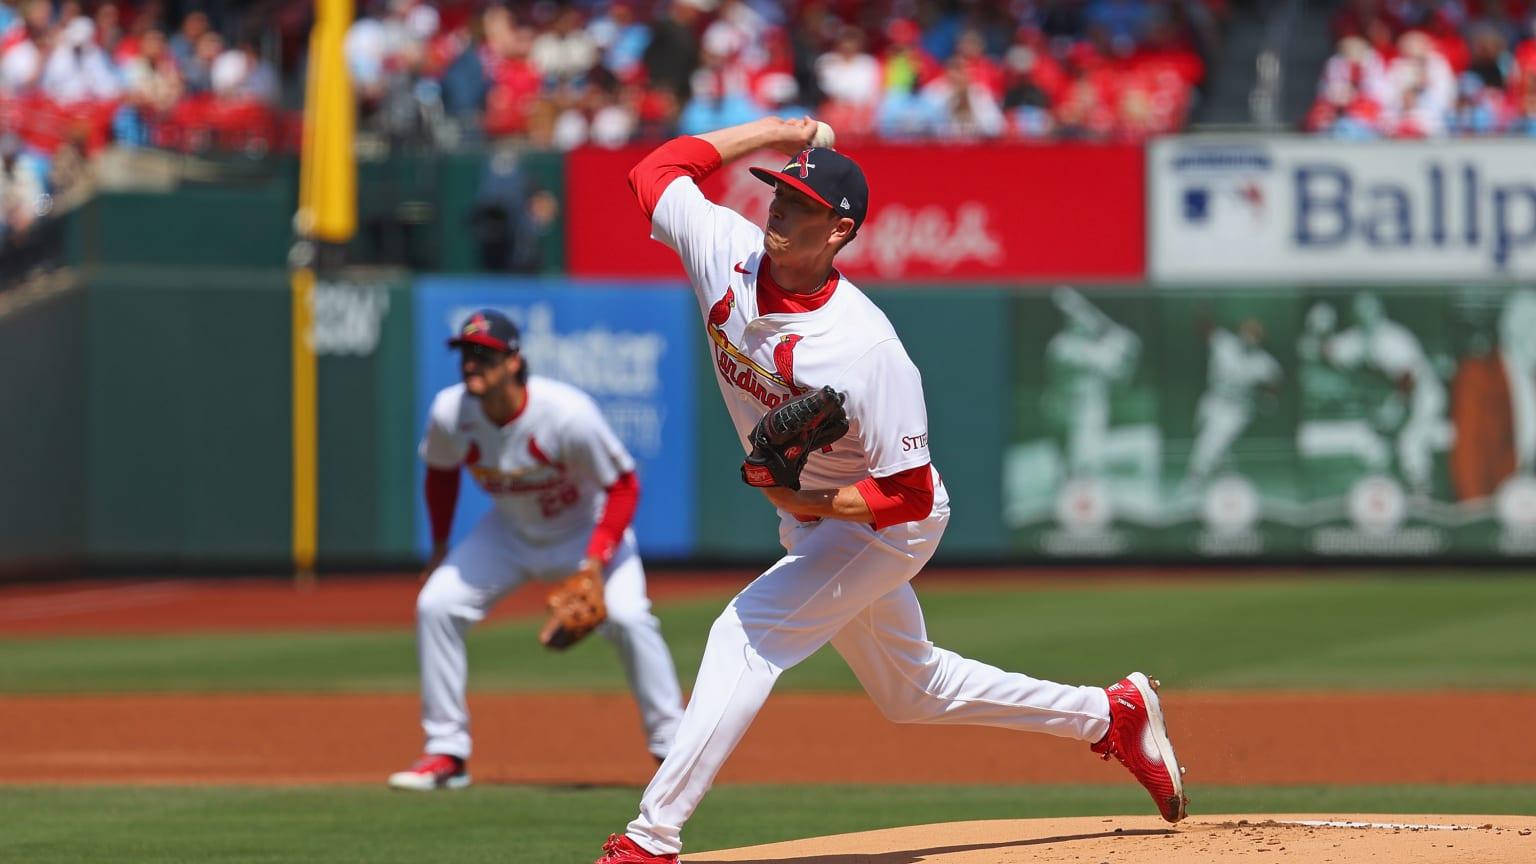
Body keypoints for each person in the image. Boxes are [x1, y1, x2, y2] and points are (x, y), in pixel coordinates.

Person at [594, 116, 1188, 863]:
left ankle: (650, 838)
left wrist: (807, 502)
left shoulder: (867, 348)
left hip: (883, 524)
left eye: (800, 206)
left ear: (839, 231)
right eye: (778, 195)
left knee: (746, 634)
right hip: (815, 519)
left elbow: (909, 495)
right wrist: (774, 131)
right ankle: (1110, 715)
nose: (779, 211)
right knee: (914, 692)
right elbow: (652, 174)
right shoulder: (725, 250)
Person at [388, 309, 684, 791]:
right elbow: (441, 475)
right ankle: (446, 752)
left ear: (513, 361)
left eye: (484, 354)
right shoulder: (450, 412)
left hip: (584, 534)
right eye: (465, 354)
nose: (471, 364)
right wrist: (439, 547)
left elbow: (624, 486)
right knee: (436, 604)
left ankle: (673, 747)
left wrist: (595, 563)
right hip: (509, 532)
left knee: (630, 619)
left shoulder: (565, 414)